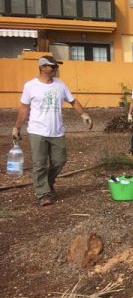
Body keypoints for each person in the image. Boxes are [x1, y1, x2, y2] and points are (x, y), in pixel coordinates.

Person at [12, 55, 93, 206]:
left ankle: (47, 183)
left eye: (56, 66)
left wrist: (84, 114)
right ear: (42, 67)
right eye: (52, 66)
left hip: (57, 131)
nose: (55, 69)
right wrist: (17, 127)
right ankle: (43, 194)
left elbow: (72, 100)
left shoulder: (60, 85)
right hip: (37, 130)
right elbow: (24, 108)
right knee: (39, 163)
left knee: (60, 160)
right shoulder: (31, 86)